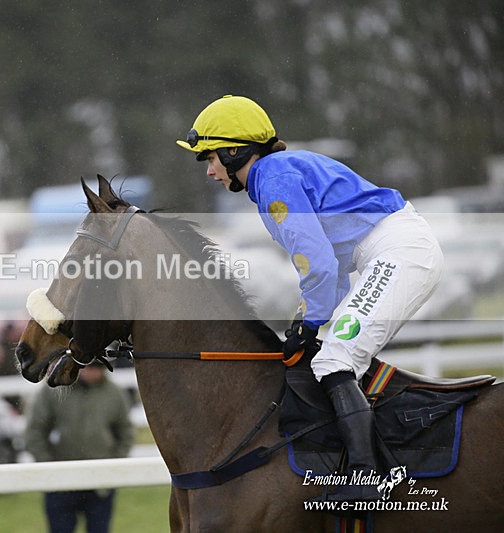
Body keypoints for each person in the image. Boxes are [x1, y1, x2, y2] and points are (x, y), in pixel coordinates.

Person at [176, 95, 444, 502]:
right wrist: (308, 321)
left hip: (398, 253)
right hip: (392, 251)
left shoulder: (273, 180)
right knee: (330, 354)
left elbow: (317, 265)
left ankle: (366, 479)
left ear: (235, 151)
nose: (210, 171)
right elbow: (331, 269)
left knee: (336, 358)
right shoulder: (278, 173)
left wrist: (308, 322)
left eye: (210, 158)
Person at [24, 362, 134, 532]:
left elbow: (125, 432)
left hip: (101, 482)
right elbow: (35, 431)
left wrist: (113, 465)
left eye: (97, 367)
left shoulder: (114, 393)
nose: (91, 372)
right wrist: (48, 465)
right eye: (88, 367)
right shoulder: (54, 389)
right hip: (60, 481)